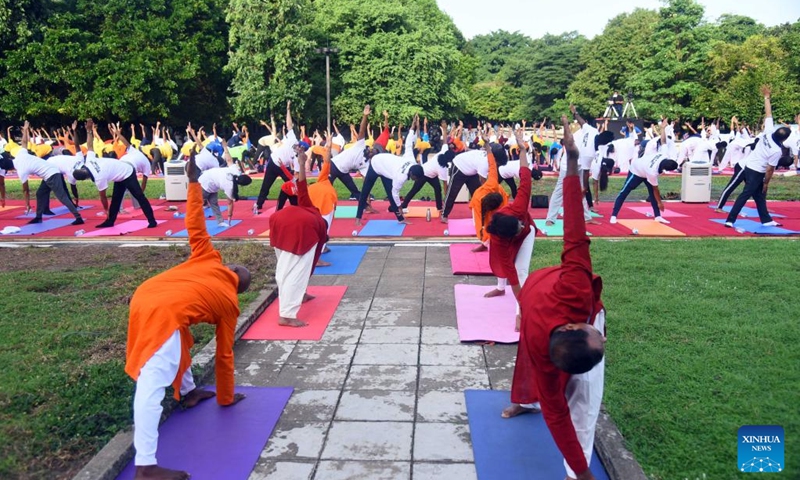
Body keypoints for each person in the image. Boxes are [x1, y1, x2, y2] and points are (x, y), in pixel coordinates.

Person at [125, 152, 250, 480]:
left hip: (146, 294)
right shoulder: (230, 305)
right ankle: (146, 466)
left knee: (178, 340)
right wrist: (226, 397)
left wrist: (193, 182)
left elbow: (194, 221)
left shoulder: (209, 257)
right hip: (164, 311)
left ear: (231, 269)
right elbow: (224, 355)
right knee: (152, 383)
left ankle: (191, 391)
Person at [501, 114, 606, 480]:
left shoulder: (575, 284)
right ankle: (526, 403)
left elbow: (574, 227)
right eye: (600, 336)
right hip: (536, 300)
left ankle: (574, 467)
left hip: (542, 293)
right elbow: (558, 415)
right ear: (582, 323)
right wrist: (583, 472)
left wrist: (572, 161)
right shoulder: (542, 347)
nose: (603, 335)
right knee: (584, 403)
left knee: (571, 392)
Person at [483, 128, 537, 332]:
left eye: (519, 224)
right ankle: (499, 288)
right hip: (504, 241)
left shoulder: (519, 206)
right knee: (503, 264)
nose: (520, 225)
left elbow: (525, 177)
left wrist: (523, 150)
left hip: (528, 237)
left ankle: (519, 311)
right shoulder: (498, 240)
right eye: (518, 228)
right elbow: (509, 272)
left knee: (522, 269)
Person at [269, 151, 329, 327]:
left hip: (278, 222)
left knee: (284, 267)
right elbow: (310, 266)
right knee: (296, 272)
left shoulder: (308, 204)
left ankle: (300, 295)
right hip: (299, 230)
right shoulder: (318, 232)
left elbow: (301, 183)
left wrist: (302, 164)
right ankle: (286, 316)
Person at [724, 86, 792, 228]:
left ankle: (766, 220)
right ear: (784, 140)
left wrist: (766, 97)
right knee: (745, 194)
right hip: (756, 171)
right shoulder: (776, 150)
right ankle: (730, 219)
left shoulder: (768, 132)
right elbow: (770, 169)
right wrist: (766, 183)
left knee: (759, 196)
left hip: (749, 166)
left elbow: (768, 114)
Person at [73, 119, 158, 228]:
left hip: (127, 172)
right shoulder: (89, 161)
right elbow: (90, 145)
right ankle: (110, 221)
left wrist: (105, 210)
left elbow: (103, 197)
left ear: (85, 178)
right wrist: (89, 131)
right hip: (120, 171)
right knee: (116, 199)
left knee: (140, 197)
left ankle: (152, 221)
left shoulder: (99, 177)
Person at [0, 121, 84, 225]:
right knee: (40, 193)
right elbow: (25, 142)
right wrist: (25, 130)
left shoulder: (20, 169)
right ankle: (38, 217)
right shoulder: (20, 155)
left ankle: (78, 217)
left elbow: (25, 190)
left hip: (52, 173)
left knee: (62, 197)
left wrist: (27, 205)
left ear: (9, 169)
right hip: (48, 173)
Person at [354, 114, 424, 226]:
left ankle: (400, 219)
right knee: (365, 191)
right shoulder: (400, 177)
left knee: (390, 195)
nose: (414, 180)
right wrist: (400, 206)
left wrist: (412, 127)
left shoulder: (412, 160)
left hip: (387, 168)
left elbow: (409, 144)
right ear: (411, 173)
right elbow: (395, 193)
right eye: (414, 178)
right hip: (376, 163)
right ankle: (358, 218)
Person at [609, 118, 679, 224]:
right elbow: (656, 189)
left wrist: (663, 129)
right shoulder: (653, 172)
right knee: (625, 191)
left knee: (652, 193)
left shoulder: (664, 155)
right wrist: (660, 203)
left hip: (645, 169)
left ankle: (657, 216)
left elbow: (663, 141)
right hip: (636, 170)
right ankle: (614, 215)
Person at [255, 101, 305, 211]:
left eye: (301, 150)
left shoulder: (297, 157)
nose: (299, 150)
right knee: (266, 185)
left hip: (283, 167)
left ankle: (296, 204)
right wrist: (288, 109)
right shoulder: (293, 139)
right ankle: (259, 204)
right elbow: (289, 124)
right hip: (273, 162)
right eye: (299, 148)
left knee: (291, 185)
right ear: (298, 145)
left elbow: (296, 176)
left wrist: (296, 181)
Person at [198, 145, 252, 227]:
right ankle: (194, 222)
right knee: (198, 204)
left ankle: (220, 221)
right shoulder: (230, 186)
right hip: (205, 182)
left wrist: (225, 147)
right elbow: (229, 203)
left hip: (212, 182)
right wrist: (229, 216)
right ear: (242, 185)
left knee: (214, 203)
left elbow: (229, 160)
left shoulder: (236, 172)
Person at [329, 105, 371, 200]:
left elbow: (366, 183)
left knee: (355, 190)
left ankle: (366, 206)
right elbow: (362, 130)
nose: (370, 151)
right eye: (370, 149)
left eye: (372, 152)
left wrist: (368, 199)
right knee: (326, 187)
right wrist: (365, 116)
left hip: (344, 172)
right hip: (334, 165)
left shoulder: (366, 164)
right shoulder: (361, 145)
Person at [308, 136, 339, 264]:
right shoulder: (322, 180)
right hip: (325, 208)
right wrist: (329, 146)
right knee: (322, 231)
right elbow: (327, 161)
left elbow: (326, 161)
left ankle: (321, 249)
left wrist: (329, 146)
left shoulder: (321, 180)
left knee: (321, 231)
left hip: (321, 209)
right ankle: (317, 258)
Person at [569, 105, 598, 210]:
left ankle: (588, 205)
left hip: (579, 159)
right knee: (580, 184)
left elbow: (580, 120)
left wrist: (575, 112)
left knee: (582, 184)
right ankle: (580, 204)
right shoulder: (584, 132)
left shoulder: (589, 130)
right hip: (578, 160)